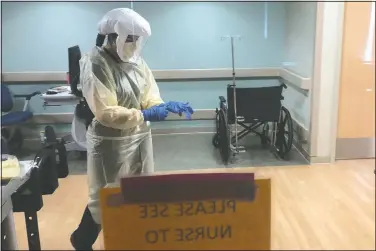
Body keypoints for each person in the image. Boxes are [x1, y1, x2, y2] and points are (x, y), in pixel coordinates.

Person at [70, 8, 193, 250]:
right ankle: (82, 240)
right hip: (110, 140)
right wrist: (144, 114)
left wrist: (163, 106)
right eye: (131, 39)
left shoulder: (135, 61)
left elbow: (149, 94)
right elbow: (106, 112)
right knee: (106, 197)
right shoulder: (96, 63)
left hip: (138, 136)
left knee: (141, 189)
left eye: (137, 40)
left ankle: (133, 239)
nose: (135, 44)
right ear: (114, 36)